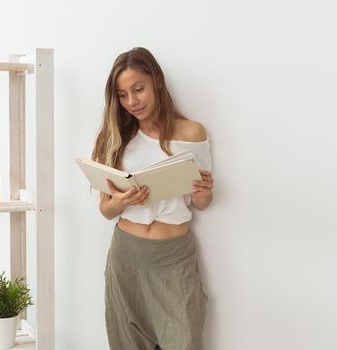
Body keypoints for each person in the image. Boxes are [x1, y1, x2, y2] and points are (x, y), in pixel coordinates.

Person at [92, 47, 214, 350]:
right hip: (126, 254)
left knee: (184, 340)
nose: (132, 102)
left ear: (156, 82)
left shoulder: (192, 133)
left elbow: (200, 203)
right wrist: (120, 203)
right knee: (127, 342)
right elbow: (106, 210)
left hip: (172, 257)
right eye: (122, 95)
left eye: (138, 89)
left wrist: (205, 192)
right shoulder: (118, 137)